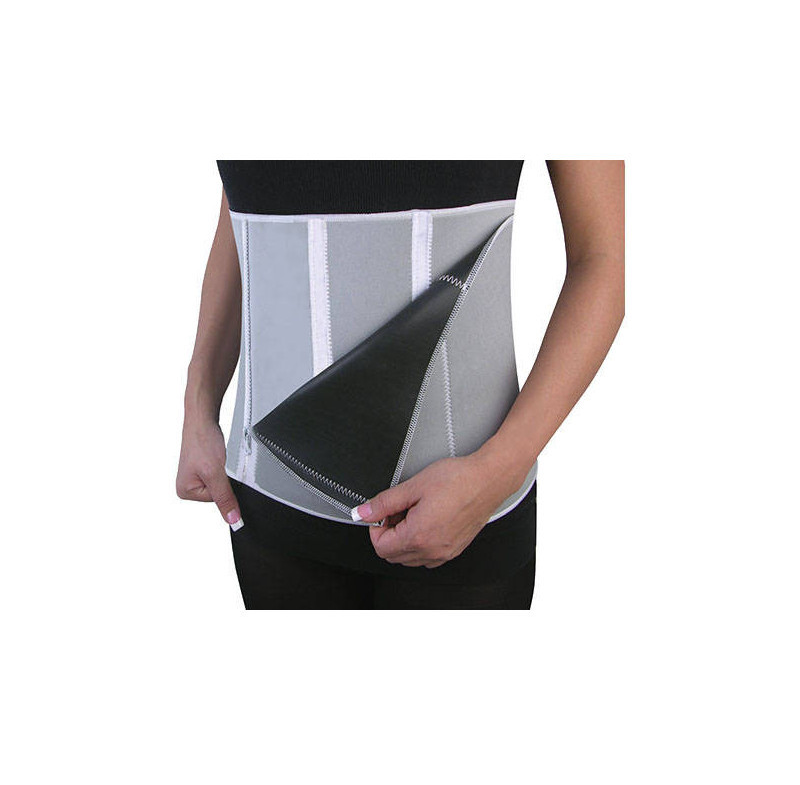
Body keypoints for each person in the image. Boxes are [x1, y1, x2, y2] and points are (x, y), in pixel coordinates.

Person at [176, 161, 624, 609]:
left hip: (465, 505)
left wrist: (499, 471)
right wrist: (199, 401)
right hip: (267, 503)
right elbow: (245, 209)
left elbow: (605, 260)